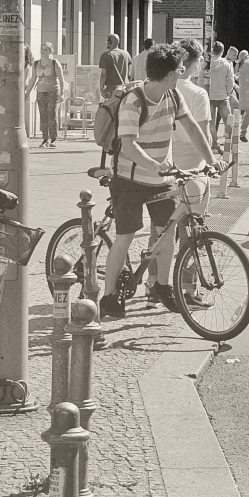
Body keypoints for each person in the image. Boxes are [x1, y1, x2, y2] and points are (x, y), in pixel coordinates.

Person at [98, 44, 217, 321]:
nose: (181, 73)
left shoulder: (173, 95)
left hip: (162, 180)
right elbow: (128, 144)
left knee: (168, 231)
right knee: (125, 236)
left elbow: (192, 128)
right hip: (129, 179)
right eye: (178, 70)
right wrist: (155, 165)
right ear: (168, 74)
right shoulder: (134, 101)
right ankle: (108, 296)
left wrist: (210, 160)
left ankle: (163, 286)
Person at [175, 40, 230, 198]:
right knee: (196, 214)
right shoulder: (198, 94)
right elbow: (202, 132)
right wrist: (211, 161)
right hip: (192, 162)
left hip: (163, 159)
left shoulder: (162, 87)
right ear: (196, 62)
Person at [28, 42, 67, 147]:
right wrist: (27, 92)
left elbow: (62, 80)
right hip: (41, 91)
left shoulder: (55, 63)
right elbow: (32, 80)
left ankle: (53, 139)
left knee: (52, 113)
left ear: (50, 51)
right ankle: (45, 138)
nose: (43, 51)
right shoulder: (36, 64)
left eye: (46, 49)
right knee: (43, 115)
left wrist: (62, 93)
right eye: (42, 49)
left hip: (53, 91)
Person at [207, 41, 236, 151]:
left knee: (211, 122)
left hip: (210, 96)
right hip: (223, 97)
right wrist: (228, 92)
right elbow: (230, 81)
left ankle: (214, 144)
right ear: (222, 51)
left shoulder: (207, 64)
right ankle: (231, 145)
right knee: (227, 121)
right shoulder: (227, 64)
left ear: (212, 51)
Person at [99, 33, 130, 98]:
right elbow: (129, 73)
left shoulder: (106, 55)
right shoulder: (126, 54)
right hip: (125, 89)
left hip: (112, 90)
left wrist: (101, 90)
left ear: (109, 42)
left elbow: (103, 75)